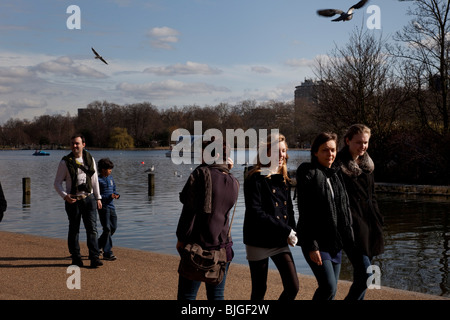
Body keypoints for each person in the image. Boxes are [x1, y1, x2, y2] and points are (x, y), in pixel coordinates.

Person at [176, 138, 239, 300]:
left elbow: (187, 205)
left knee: (187, 296)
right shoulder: (234, 181)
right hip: (223, 248)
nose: (200, 157)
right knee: (217, 296)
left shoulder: (200, 173)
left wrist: (181, 238)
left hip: (198, 246)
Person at [296, 132, 354, 300]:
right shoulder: (308, 172)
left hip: (335, 241)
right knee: (328, 286)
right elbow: (305, 211)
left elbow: (344, 208)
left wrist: (349, 238)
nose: (330, 154)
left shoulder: (336, 173)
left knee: (332, 290)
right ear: (315, 152)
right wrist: (312, 246)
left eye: (333, 150)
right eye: (325, 150)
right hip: (315, 241)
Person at [243, 133, 299, 300]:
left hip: (279, 240)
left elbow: (289, 211)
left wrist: (293, 231)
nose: (282, 155)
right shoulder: (255, 177)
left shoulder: (283, 178)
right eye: (277, 151)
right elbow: (256, 212)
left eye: (284, 151)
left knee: (293, 287)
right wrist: (286, 231)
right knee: (259, 289)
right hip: (258, 240)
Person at [336, 124, 384, 300]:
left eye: (365, 142)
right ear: (347, 141)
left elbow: (373, 195)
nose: (362, 146)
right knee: (366, 275)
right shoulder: (338, 165)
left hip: (371, 225)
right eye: (358, 142)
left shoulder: (367, 164)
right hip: (351, 226)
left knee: (361, 276)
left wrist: (378, 218)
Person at [54, 134, 103, 268]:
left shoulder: (90, 159)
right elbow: (57, 183)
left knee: (92, 229)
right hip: (73, 201)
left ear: (83, 144)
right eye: (72, 144)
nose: (74, 146)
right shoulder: (64, 162)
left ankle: (94, 258)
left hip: (89, 199)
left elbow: (94, 180)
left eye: (77, 143)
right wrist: (65, 196)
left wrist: (98, 197)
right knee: (74, 230)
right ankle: (76, 258)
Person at [97, 158, 119, 261]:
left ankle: (97, 246)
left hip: (111, 206)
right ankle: (107, 252)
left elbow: (114, 189)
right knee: (107, 229)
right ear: (102, 169)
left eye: (111, 169)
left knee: (113, 227)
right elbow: (97, 195)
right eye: (108, 169)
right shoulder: (97, 180)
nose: (110, 171)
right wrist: (108, 196)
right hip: (103, 207)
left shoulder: (110, 178)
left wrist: (116, 195)